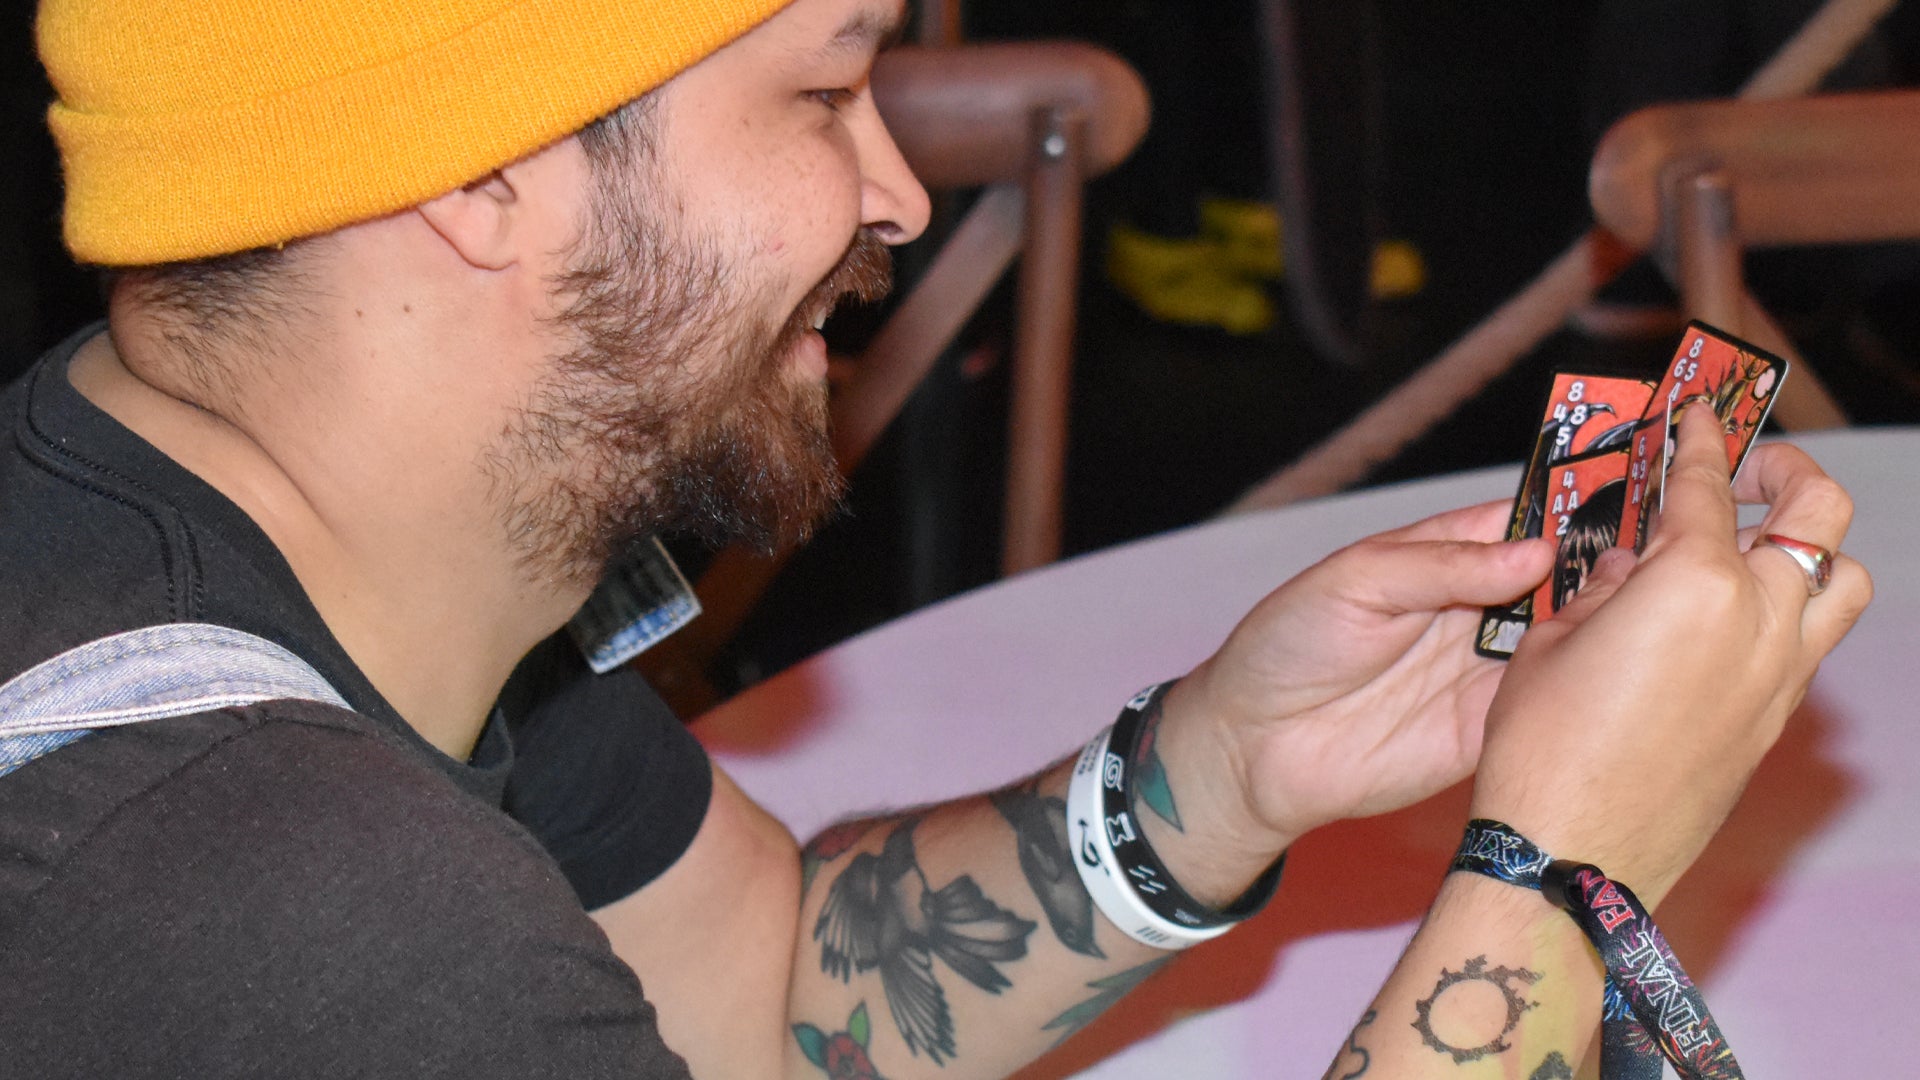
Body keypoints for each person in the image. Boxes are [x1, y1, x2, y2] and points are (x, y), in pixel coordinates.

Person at [0, 0, 1869, 1077]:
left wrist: (1219, 773)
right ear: (480, 173)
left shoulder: (298, 535)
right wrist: (1559, 874)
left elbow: (759, 990)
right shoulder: (271, 901)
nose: (895, 189)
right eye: (825, 93)